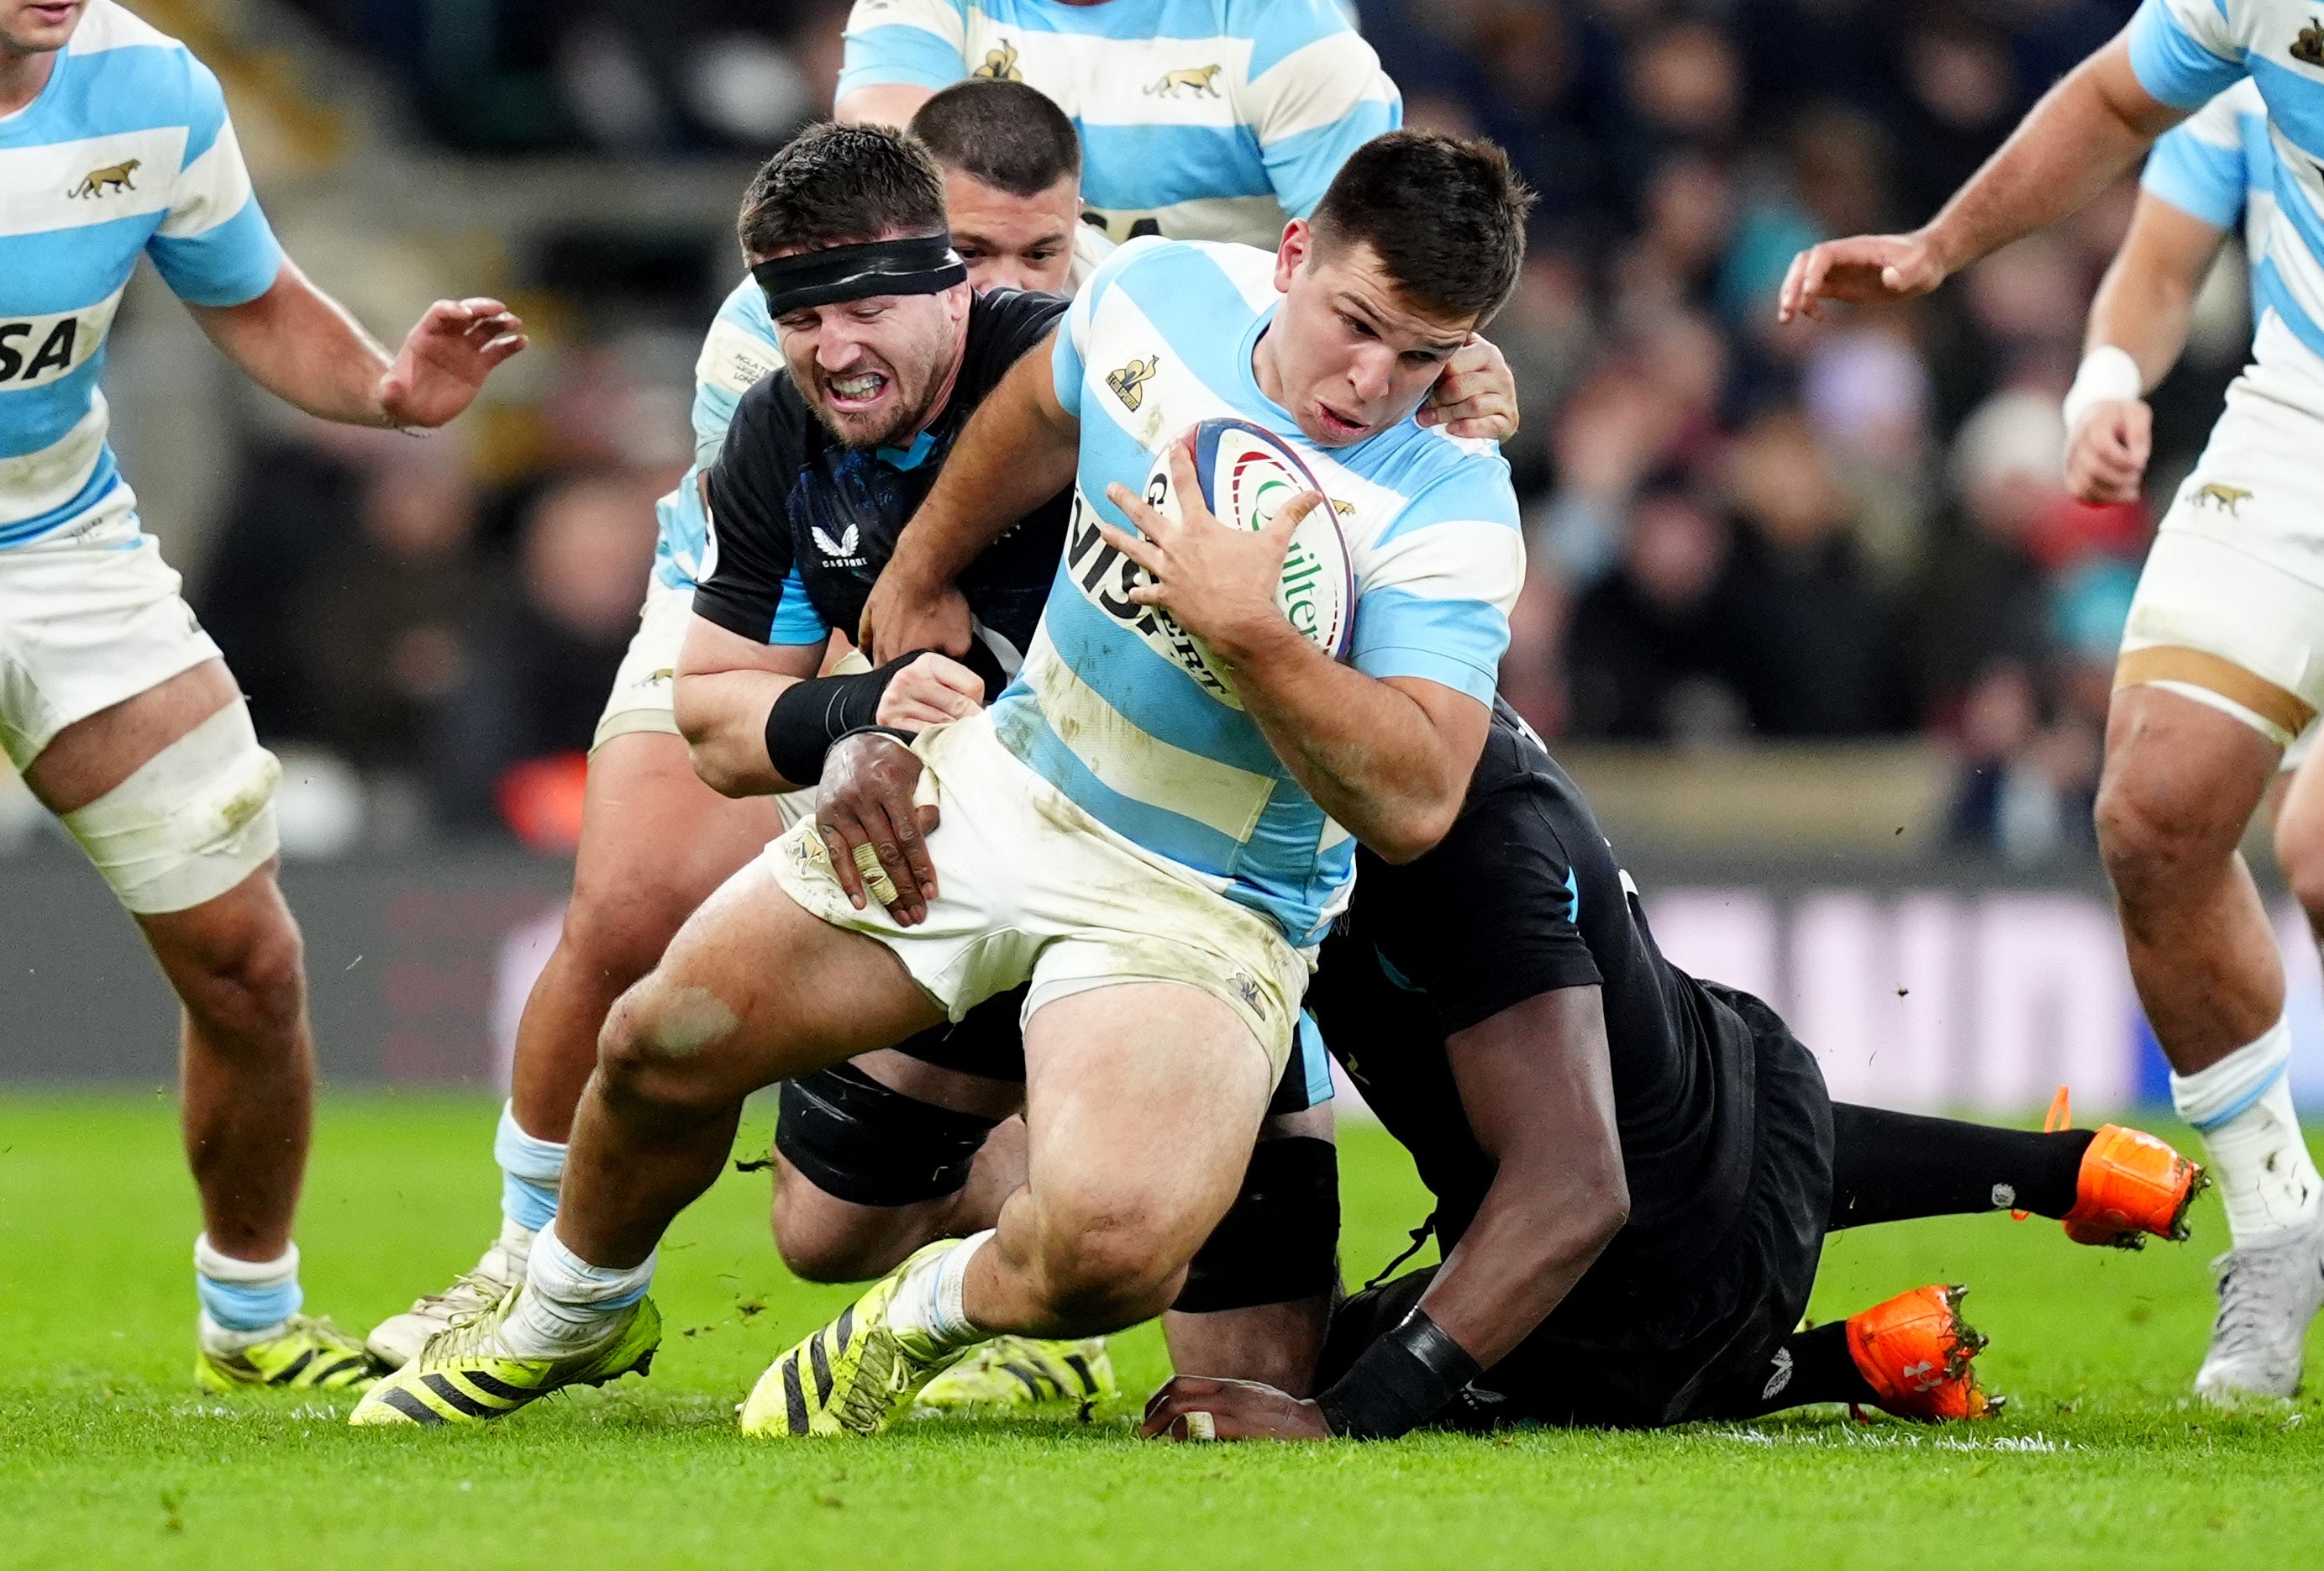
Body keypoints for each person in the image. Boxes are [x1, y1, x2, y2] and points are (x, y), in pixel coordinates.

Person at [348, 129, 1531, 1432]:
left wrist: (1249, 631)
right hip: (1010, 784)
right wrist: (918, 569)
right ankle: (568, 1309)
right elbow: (1039, 409)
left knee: (1114, 1253)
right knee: (661, 1040)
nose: (1372, 380)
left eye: (1423, 354)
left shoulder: (1453, 507)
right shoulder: (1162, 297)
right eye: (1356, 324)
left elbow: (1416, 801)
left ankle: (923, 1315)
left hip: (1199, 901)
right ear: (1293, 256)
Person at [1125, 701, 2206, 1439]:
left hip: (1636, 1292)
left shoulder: (1458, 841)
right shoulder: (1439, 734)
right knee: (1667, 1117)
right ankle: (2073, 1170)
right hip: (1749, 1106)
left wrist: (1341, 1416)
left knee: (1311, 1373)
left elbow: (1575, 1190)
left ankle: (1811, 1366)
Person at [1777, 0, 2324, 1405]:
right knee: (2151, 810)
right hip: (2301, 414)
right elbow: (2116, 118)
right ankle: (2279, 1224)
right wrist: (1944, 254)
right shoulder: (2250, 30)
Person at [0, 0, 523, 1390]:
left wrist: (384, 390)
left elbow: (248, 293)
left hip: (64, 553)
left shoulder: (150, 85)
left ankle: (249, 1318)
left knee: (249, 961)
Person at [835, 0, 1400, 250]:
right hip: (981, 358)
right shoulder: (920, 6)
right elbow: (893, 184)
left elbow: (1369, 268)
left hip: (1225, 383)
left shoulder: (1294, 34)